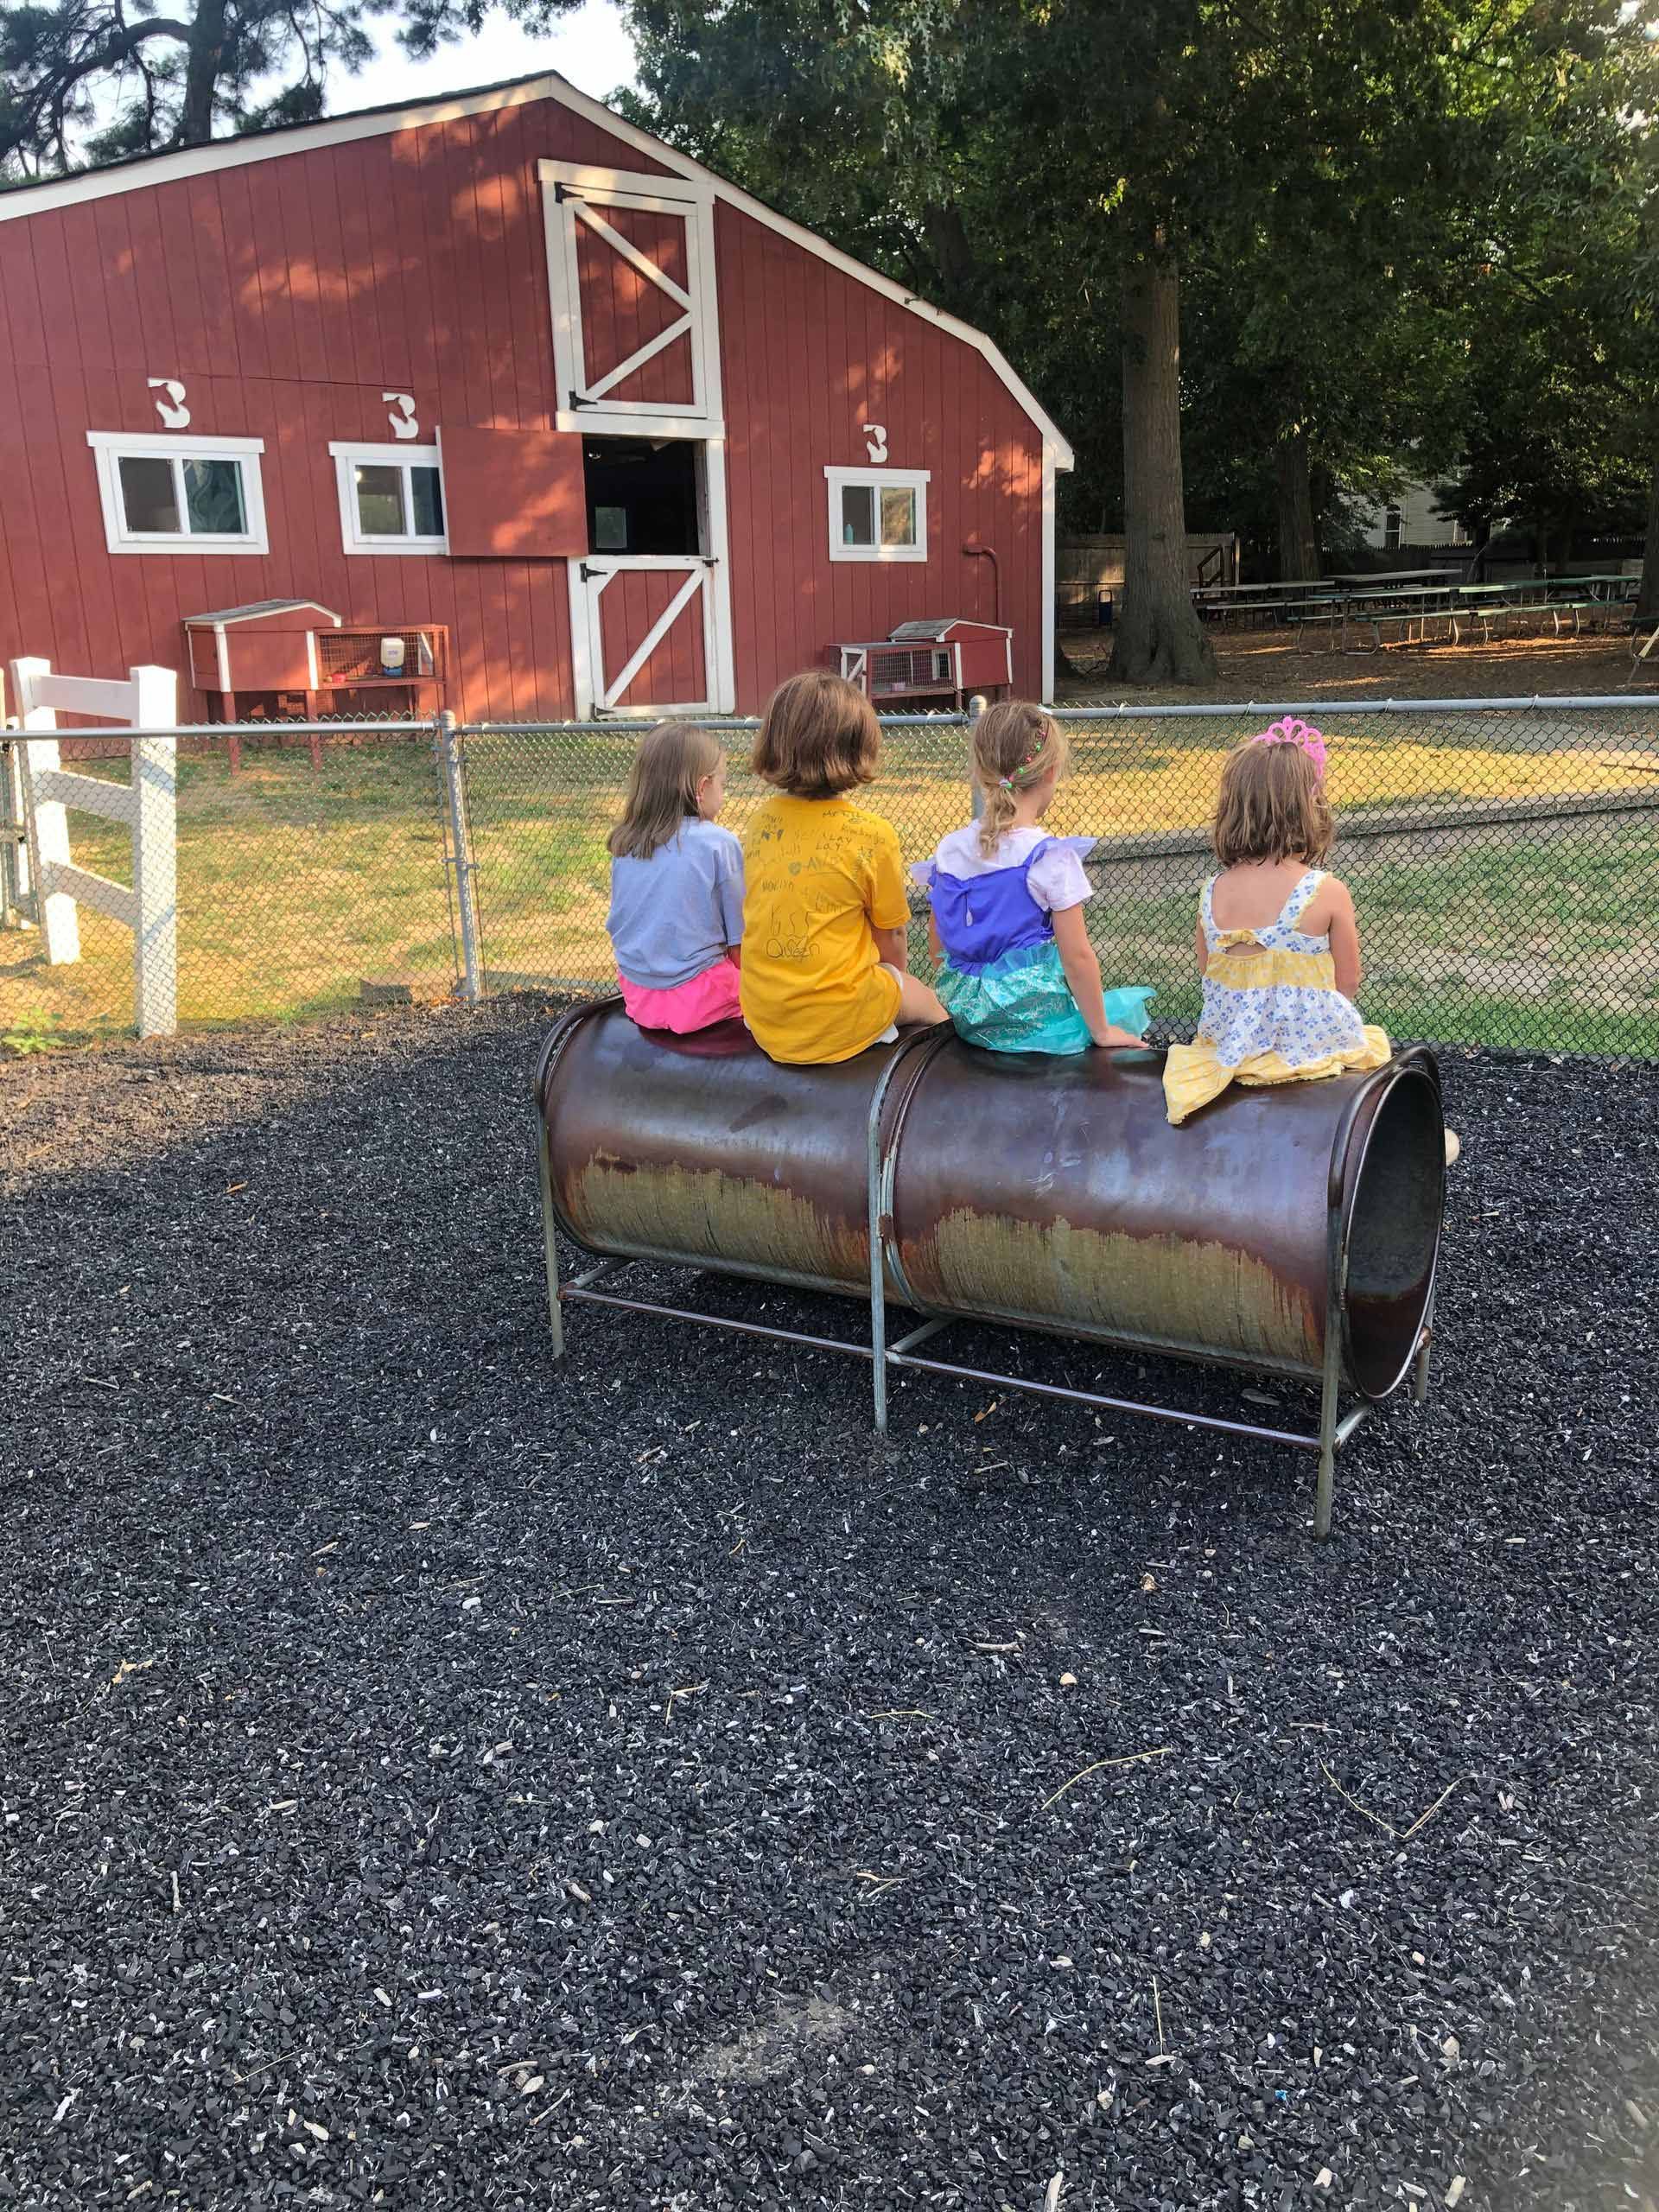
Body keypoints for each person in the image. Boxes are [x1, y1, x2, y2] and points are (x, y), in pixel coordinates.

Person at [1164, 717, 1459, 1159]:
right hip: (1310, 1045)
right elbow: (1348, 981)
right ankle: (1401, 1149)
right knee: (1378, 1071)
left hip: (1231, 1045)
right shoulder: (1325, 890)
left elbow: (1210, 973)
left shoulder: (1212, 891)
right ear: (1309, 810)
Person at [912, 700, 1154, 1054]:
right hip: (1030, 1019)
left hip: (967, 1015)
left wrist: (960, 995)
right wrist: (1101, 1031)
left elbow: (938, 938)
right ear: (1052, 772)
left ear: (980, 771)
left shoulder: (950, 850)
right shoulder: (1049, 858)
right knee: (1123, 1016)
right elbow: (1078, 958)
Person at [740, 671, 946, 1063]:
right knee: (934, 1008)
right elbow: (893, 937)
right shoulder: (872, 835)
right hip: (839, 1015)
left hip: (764, 1013)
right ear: (857, 747)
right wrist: (893, 980)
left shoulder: (761, 823)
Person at [606, 719, 745, 1034]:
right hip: (701, 998)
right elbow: (740, 947)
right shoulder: (718, 844)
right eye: (722, 783)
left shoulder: (626, 843)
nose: (724, 792)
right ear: (701, 787)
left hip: (639, 995)